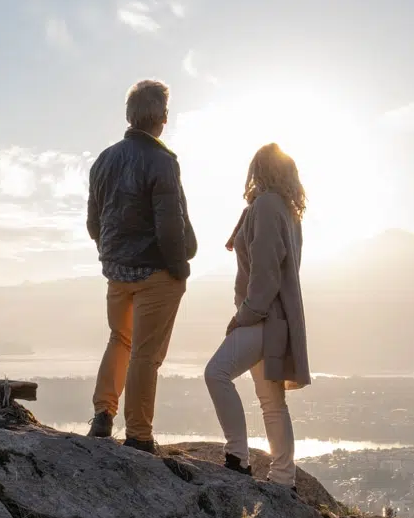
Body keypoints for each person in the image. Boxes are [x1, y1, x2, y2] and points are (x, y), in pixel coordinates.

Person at [85, 79, 198, 454]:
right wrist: (179, 268)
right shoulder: (162, 162)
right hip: (155, 273)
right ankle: (139, 436)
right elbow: (170, 224)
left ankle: (103, 414)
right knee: (145, 355)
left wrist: (111, 254)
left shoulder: (104, 159)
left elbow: (93, 222)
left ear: (130, 115)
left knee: (120, 339)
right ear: (162, 117)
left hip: (116, 273)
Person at [204, 142, 310, 487]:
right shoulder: (287, 211)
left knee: (217, 373)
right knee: (271, 401)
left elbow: (265, 274)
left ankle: (237, 457)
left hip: (263, 317)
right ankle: (283, 478)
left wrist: (245, 315)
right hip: (280, 320)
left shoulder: (265, 207)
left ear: (259, 171)